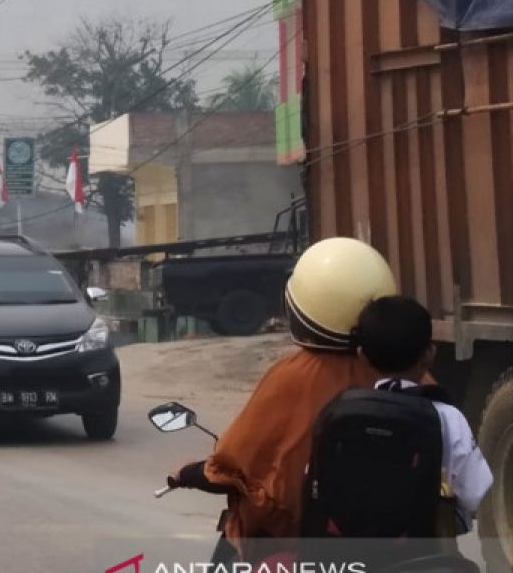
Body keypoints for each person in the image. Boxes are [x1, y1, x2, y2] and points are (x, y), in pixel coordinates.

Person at [167, 237, 399, 563]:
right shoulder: (416, 380)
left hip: (297, 541)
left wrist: (190, 473)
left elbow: (234, 466)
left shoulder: (293, 377)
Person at [355, 296, 493, 531]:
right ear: (430, 354)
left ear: (362, 357)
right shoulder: (448, 418)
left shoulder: (345, 414)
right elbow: (475, 493)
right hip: (428, 555)